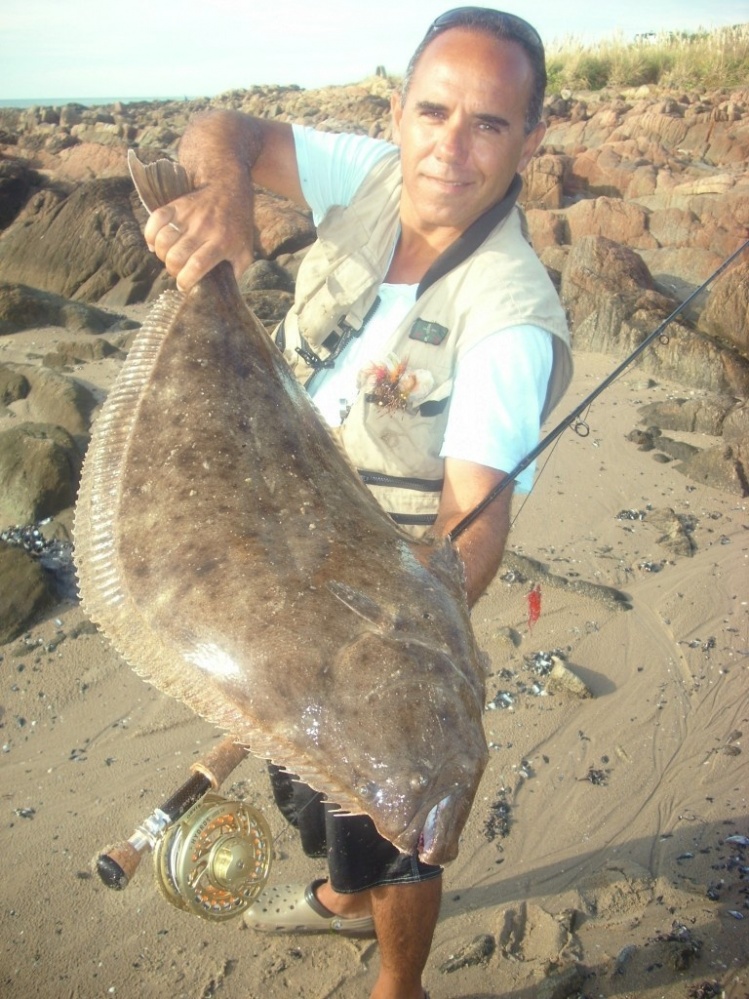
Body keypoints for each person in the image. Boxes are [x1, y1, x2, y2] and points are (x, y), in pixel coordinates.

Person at [144, 8, 572, 998]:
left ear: (529, 141)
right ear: (399, 110)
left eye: (489, 126)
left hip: (363, 635)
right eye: (433, 112)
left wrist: (355, 661)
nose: (449, 148)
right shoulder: (375, 171)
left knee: (394, 826)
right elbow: (228, 130)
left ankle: (397, 980)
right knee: (306, 800)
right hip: (262, 543)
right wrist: (219, 197)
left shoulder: (506, 321)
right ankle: (340, 901)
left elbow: (472, 534)